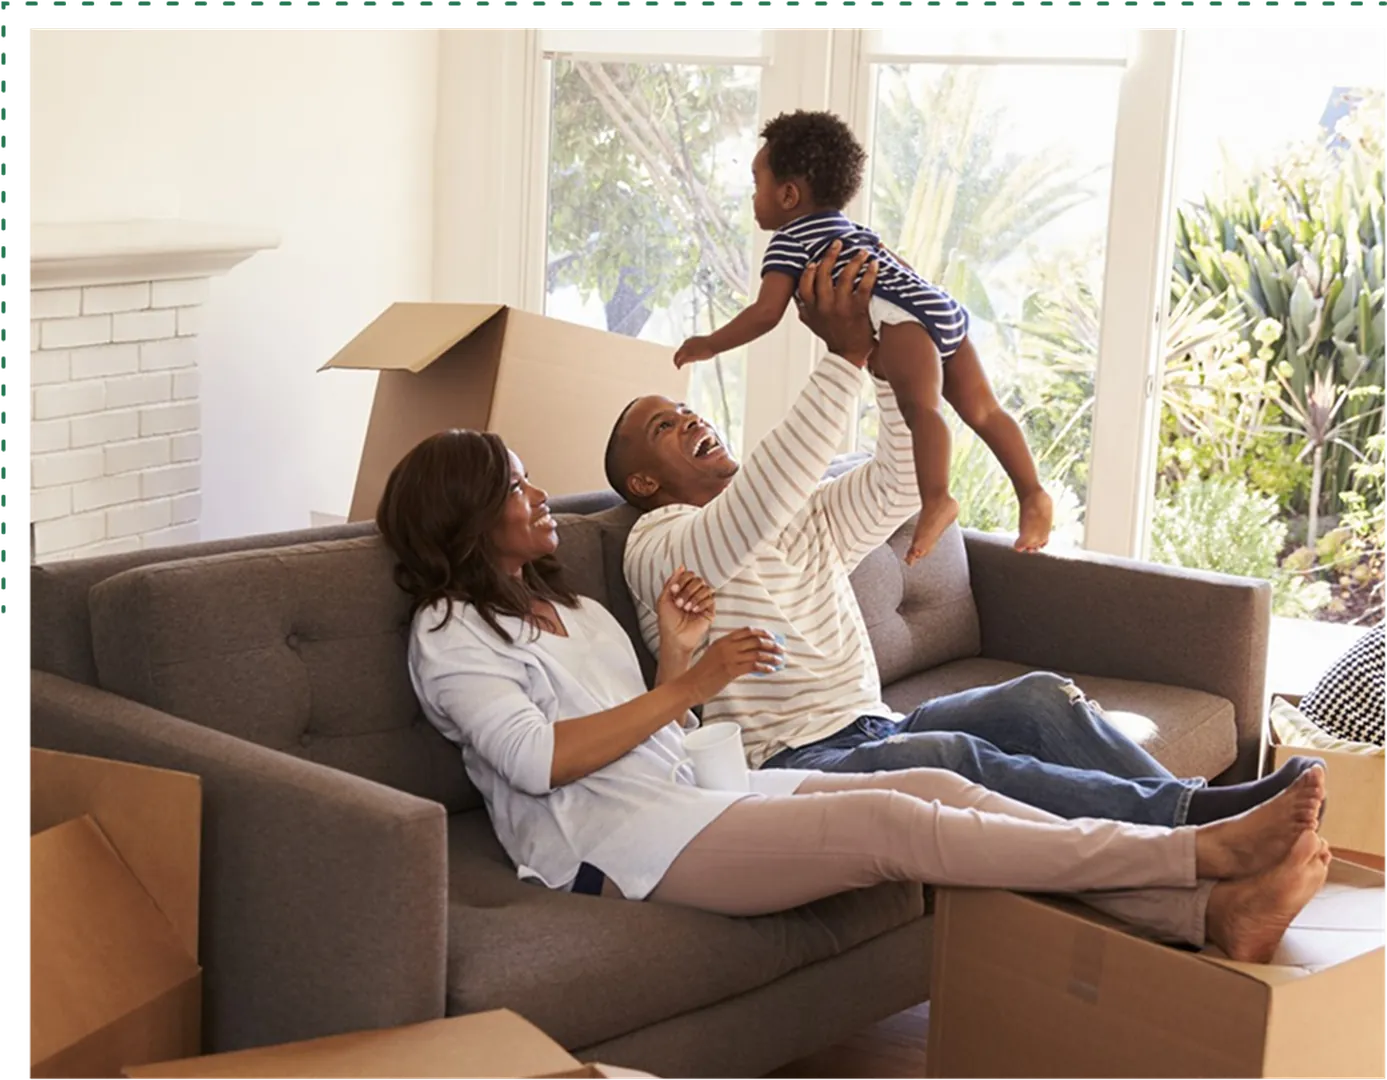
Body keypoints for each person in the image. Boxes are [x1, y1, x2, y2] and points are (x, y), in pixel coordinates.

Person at [377, 425, 1330, 965]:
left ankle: (1206, 915)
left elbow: (654, 733)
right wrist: (695, 683)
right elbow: (543, 761)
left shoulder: (572, 609)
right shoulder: (450, 635)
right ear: (464, 517)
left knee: (943, 793)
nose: (538, 493)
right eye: (514, 483)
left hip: (688, 798)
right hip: (616, 846)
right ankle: (1189, 850)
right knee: (889, 824)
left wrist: (676, 658)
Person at [612, 242, 1322, 828]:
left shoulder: (800, 514)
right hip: (790, 763)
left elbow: (895, 483)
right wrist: (841, 357)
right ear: (643, 481)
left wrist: (890, 367)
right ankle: (1197, 825)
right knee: (951, 756)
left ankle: (1201, 816)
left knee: (1039, 696)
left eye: (686, 410)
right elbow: (751, 513)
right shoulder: (659, 544)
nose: (691, 421)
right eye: (663, 428)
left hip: (872, 724)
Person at [673, 109, 1051, 561]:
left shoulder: (790, 242)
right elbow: (901, 268)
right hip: (935, 303)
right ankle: (1031, 494)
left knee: (922, 408)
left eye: (757, 184)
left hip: (900, 317)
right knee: (986, 411)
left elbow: (766, 313)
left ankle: (937, 499)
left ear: (789, 194)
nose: (752, 197)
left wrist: (709, 343)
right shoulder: (855, 231)